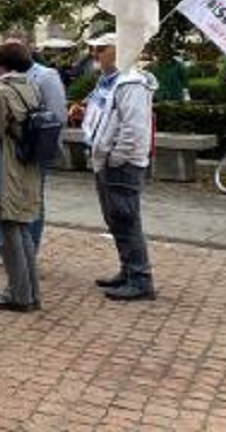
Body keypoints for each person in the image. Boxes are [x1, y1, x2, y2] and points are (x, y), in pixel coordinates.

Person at [83, 33, 158, 302]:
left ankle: (140, 279)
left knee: (126, 219)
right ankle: (129, 271)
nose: (95, 54)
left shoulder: (130, 84)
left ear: (119, 51)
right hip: (107, 161)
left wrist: (116, 158)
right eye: (94, 49)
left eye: (101, 49)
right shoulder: (111, 82)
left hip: (121, 164)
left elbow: (134, 130)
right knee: (116, 219)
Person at [0, 41, 43, 312]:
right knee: (24, 231)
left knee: (10, 232)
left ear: (0, 65)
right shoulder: (32, 86)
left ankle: (18, 294)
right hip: (29, 165)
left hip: (8, 165)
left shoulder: (2, 91)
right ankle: (32, 292)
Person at [25, 43, 67, 249]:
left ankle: (31, 246)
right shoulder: (2, 75)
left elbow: (57, 114)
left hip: (35, 148)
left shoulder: (46, 76)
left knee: (34, 198)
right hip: (9, 151)